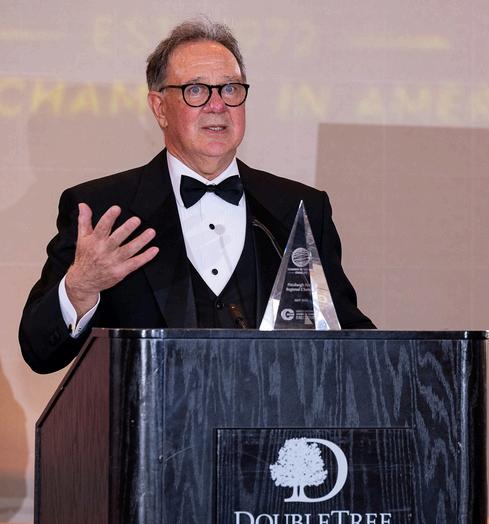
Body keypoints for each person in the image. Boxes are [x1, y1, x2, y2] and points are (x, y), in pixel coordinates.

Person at [19, 18, 374, 374]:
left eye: (230, 89)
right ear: (160, 108)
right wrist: (80, 288)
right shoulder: (104, 211)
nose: (217, 105)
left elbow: (348, 333)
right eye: (196, 90)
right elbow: (39, 352)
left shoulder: (298, 208)